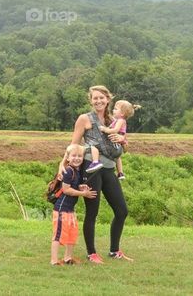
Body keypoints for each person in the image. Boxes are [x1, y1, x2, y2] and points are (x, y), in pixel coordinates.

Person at [70, 85, 133, 264]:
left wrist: (123, 140)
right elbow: (74, 145)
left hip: (109, 169)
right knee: (92, 212)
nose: (98, 101)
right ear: (91, 100)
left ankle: (114, 251)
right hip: (91, 168)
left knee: (121, 211)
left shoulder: (115, 120)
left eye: (101, 98)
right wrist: (64, 167)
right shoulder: (84, 119)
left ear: (108, 99)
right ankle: (92, 253)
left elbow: (124, 149)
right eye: (94, 98)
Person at [50, 144, 97, 266]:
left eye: (80, 156)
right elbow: (66, 190)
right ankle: (54, 260)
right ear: (68, 158)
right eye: (74, 156)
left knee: (72, 232)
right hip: (62, 209)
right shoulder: (68, 171)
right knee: (59, 234)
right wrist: (83, 193)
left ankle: (68, 258)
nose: (77, 158)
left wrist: (81, 187)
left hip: (70, 209)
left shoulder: (76, 171)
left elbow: (73, 186)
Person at [98, 100, 140, 180]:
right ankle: (120, 173)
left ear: (122, 113)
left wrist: (105, 129)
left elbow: (115, 130)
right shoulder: (117, 120)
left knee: (116, 155)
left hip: (117, 140)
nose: (113, 110)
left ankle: (118, 172)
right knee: (118, 157)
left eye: (115, 109)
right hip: (117, 141)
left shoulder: (120, 121)